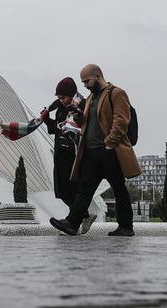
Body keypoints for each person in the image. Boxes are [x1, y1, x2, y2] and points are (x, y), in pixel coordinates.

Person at [49, 65, 141, 236]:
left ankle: (126, 227)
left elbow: (121, 120)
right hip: (91, 152)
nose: (85, 85)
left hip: (109, 151)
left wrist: (110, 144)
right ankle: (72, 223)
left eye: (87, 81)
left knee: (118, 188)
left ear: (97, 76)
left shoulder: (116, 93)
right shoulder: (91, 97)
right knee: (84, 189)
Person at [41, 77, 96, 233]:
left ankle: (78, 218)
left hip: (72, 154)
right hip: (60, 153)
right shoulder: (60, 109)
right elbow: (56, 130)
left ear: (71, 94)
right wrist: (46, 120)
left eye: (63, 97)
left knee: (70, 188)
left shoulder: (79, 108)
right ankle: (84, 215)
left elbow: (75, 129)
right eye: (59, 98)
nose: (61, 100)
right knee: (62, 191)